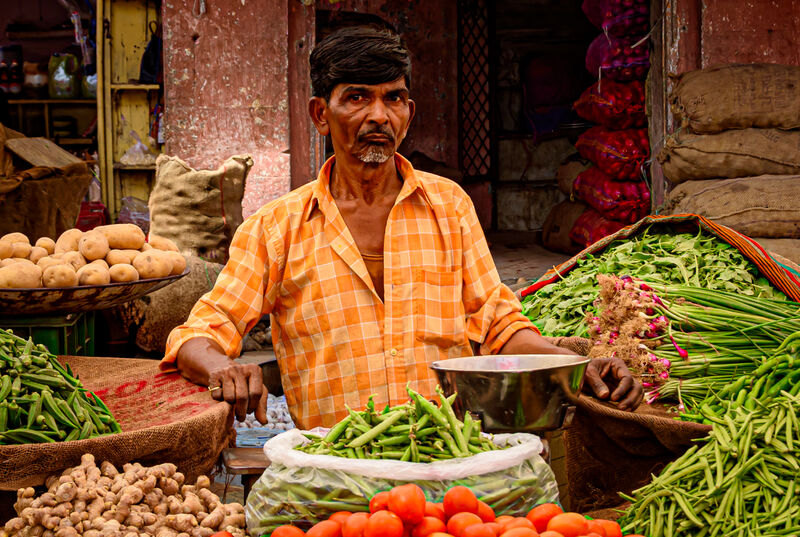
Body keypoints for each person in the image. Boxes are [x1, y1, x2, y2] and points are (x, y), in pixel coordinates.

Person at [161, 26, 643, 429]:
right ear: (319, 114)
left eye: (393, 99)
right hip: (336, 465)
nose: (378, 115)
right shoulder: (276, 227)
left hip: (448, 458)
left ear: (408, 113)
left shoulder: (448, 205)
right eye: (357, 98)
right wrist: (223, 367)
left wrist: (573, 365)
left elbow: (497, 324)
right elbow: (199, 332)